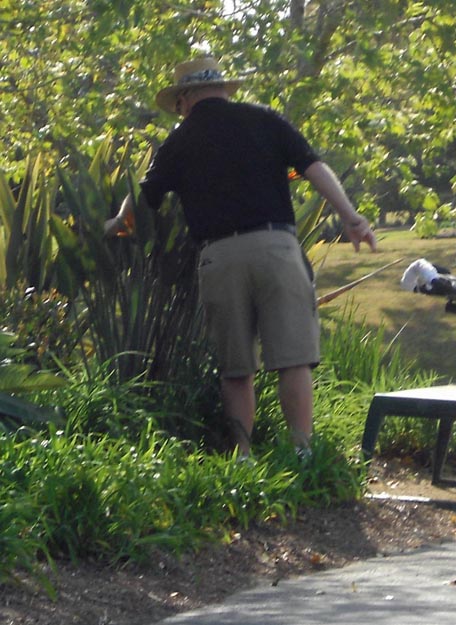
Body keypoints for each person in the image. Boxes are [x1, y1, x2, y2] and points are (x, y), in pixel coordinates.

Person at [105, 57, 377, 457]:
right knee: (294, 359)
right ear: (222, 87)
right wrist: (350, 217)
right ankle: (301, 453)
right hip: (278, 248)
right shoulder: (266, 119)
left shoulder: (179, 141)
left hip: (220, 255)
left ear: (184, 99)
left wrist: (113, 224)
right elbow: (315, 168)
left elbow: (144, 196)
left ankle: (244, 459)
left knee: (236, 367)